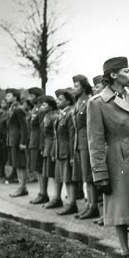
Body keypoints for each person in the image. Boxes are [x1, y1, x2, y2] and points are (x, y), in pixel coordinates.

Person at [87, 56, 129, 258]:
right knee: (120, 211)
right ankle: (126, 254)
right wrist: (100, 173)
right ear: (113, 75)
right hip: (118, 160)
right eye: (126, 71)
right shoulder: (98, 103)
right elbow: (95, 141)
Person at [72, 75, 99, 220]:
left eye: (76, 86)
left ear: (83, 86)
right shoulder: (79, 102)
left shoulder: (89, 101)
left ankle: (93, 206)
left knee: (89, 175)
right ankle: (89, 205)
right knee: (85, 176)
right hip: (80, 142)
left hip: (88, 142)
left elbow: (91, 125)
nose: (74, 89)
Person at [54, 88, 78, 216]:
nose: (57, 101)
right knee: (64, 178)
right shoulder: (61, 113)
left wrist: (72, 156)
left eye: (61, 99)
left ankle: (72, 204)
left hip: (67, 151)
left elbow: (72, 135)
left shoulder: (70, 114)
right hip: (61, 151)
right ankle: (70, 202)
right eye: (57, 99)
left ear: (68, 101)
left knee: (69, 179)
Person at [39, 95, 64, 209]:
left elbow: (55, 135)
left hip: (53, 147)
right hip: (47, 147)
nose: (41, 107)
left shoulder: (55, 116)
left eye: (44, 105)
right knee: (50, 172)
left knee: (55, 173)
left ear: (51, 106)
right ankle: (53, 197)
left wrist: (53, 150)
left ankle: (57, 197)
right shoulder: (47, 115)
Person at [26, 87, 49, 204]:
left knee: (40, 168)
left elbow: (42, 128)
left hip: (38, 142)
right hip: (33, 142)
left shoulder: (41, 110)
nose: (29, 98)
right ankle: (41, 192)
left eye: (31, 96)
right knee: (37, 168)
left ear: (37, 96)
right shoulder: (35, 109)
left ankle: (43, 193)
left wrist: (42, 145)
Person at [5, 88, 29, 197]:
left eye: (9, 96)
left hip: (18, 141)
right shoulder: (11, 108)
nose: (6, 97)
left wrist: (23, 142)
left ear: (15, 97)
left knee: (21, 165)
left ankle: (22, 188)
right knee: (17, 165)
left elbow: (24, 127)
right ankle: (21, 187)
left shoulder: (18, 109)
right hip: (12, 140)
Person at [0, 99, 9, 178]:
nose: (2, 104)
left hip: (5, 135)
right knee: (0, 155)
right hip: (0, 135)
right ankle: (1, 171)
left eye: (4, 102)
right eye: (1, 102)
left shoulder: (5, 113)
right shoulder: (2, 114)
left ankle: (2, 171)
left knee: (4, 155)